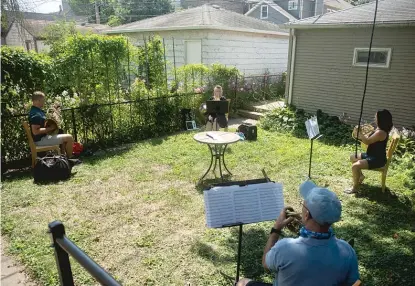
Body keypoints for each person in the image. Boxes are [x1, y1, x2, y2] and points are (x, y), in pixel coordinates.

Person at [237, 180, 360, 286]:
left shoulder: (284, 248)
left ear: (306, 215)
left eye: (303, 205)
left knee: (242, 282)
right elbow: (351, 282)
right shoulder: (347, 251)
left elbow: (265, 264)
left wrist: (276, 230)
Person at [345, 109, 393, 194]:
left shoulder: (381, 132)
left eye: (376, 117)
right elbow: (369, 139)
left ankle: (355, 188)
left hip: (377, 159)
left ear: (381, 119)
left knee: (355, 166)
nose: (375, 118)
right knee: (353, 157)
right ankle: (361, 176)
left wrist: (360, 134)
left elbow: (367, 141)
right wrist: (363, 134)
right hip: (371, 154)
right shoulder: (380, 129)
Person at [29, 91, 74, 158]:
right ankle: (70, 159)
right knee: (69, 137)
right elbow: (35, 132)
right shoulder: (36, 114)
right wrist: (50, 128)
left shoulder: (37, 111)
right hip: (40, 141)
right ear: (38, 101)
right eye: (43, 100)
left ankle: (63, 158)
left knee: (61, 131)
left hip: (43, 138)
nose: (44, 102)